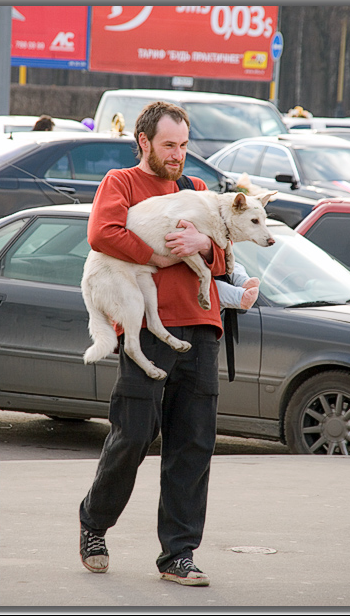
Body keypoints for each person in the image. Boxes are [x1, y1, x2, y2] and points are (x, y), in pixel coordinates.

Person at [79, 101, 227, 587]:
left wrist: (205, 247)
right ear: (143, 142)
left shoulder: (198, 191)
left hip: (202, 329)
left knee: (193, 445)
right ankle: (94, 522)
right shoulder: (120, 182)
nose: (178, 155)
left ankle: (178, 555)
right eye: (169, 145)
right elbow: (103, 234)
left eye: (184, 145)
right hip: (145, 332)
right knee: (135, 434)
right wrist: (160, 256)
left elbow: (225, 253)